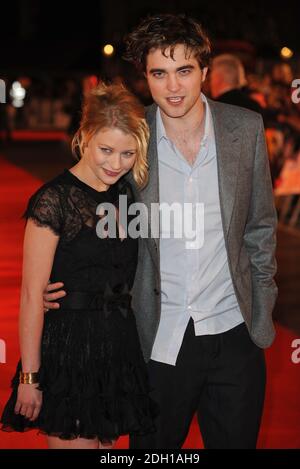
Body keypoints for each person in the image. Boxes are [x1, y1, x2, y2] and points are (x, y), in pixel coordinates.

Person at [43, 14, 278, 449]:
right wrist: (59, 280)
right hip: (157, 339)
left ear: (205, 72)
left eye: (184, 71)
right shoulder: (134, 137)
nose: (173, 87)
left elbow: (260, 225)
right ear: (146, 78)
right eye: (159, 73)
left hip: (234, 334)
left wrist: (260, 310)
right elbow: (87, 205)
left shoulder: (245, 130)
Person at [1, 83, 157, 449]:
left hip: (117, 347)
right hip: (70, 348)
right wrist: (29, 377)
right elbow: (31, 295)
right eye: (106, 150)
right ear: (84, 137)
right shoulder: (53, 201)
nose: (115, 164)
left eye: (127, 154)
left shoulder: (125, 193)